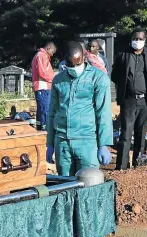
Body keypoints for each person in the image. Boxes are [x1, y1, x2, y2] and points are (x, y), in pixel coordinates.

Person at [46, 41, 113, 176]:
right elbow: (52, 112)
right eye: (71, 65)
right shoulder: (58, 80)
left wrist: (104, 144)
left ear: (84, 57)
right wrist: (50, 143)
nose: (75, 67)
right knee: (65, 187)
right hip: (63, 141)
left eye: (78, 63)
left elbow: (103, 112)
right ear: (65, 61)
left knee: (88, 184)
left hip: (86, 141)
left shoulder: (98, 78)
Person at [113, 27, 147, 170]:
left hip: (145, 101)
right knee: (126, 134)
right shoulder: (123, 55)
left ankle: (138, 165)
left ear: (144, 40)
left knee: (141, 135)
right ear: (131, 39)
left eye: (140, 39)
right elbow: (114, 75)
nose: (138, 41)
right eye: (135, 38)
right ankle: (122, 167)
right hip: (128, 100)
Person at [32, 42, 57, 130]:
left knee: (41, 109)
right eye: (52, 52)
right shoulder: (42, 55)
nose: (52, 54)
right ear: (48, 48)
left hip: (43, 87)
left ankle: (39, 127)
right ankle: (45, 129)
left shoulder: (40, 55)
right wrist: (53, 78)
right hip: (43, 86)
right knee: (45, 108)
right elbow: (42, 72)